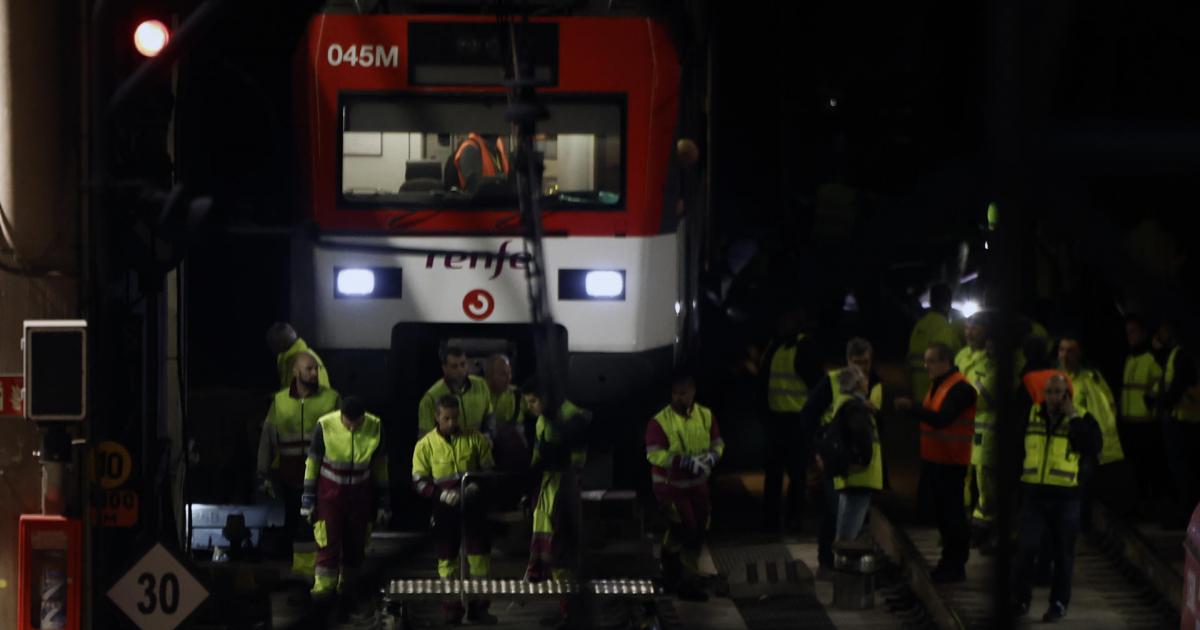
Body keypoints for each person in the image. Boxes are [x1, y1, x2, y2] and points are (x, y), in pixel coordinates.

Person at [1012, 375, 1101, 623]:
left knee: (1063, 554)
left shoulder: (1082, 418)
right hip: (1033, 496)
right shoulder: (1030, 415)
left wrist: (1073, 417)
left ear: (1068, 395)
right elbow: (1015, 449)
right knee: (1026, 549)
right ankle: (1020, 600)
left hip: (1066, 498)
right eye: (1049, 391)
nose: (1052, 397)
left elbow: (1092, 447)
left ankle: (1058, 603)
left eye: (1058, 392)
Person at [798, 337, 883, 575]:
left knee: (851, 515)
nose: (860, 368)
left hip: (860, 463)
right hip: (834, 456)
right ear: (847, 360)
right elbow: (808, 415)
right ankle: (830, 562)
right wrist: (817, 451)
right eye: (856, 362)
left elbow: (879, 425)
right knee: (835, 511)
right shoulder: (833, 381)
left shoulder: (875, 383)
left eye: (865, 363)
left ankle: (843, 563)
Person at [412, 395, 498, 625]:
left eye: (454, 418)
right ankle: (452, 608)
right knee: (447, 558)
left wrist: (474, 488)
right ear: (437, 417)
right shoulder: (425, 445)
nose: (451, 423)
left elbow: (489, 471)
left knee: (479, 557)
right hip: (444, 509)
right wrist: (440, 494)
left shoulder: (475, 439)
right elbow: (419, 481)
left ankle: (479, 608)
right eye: (446, 418)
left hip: (473, 506)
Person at [896, 342, 976, 583]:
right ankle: (948, 562)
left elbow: (942, 419)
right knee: (942, 515)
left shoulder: (960, 389)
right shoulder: (939, 384)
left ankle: (954, 564)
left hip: (951, 462)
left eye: (931, 361)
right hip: (936, 459)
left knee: (952, 516)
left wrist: (912, 409)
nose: (925, 365)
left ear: (945, 362)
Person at [257, 352, 341, 579]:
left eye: (316, 369)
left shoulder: (331, 398)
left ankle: (317, 572)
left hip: (323, 474)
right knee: (294, 524)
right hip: (290, 474)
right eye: (309, 369)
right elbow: (268, 437)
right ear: (295, 372)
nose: (314, 373)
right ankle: (299, 574)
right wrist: (262, 472)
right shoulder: (280, 400)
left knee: (319, 523)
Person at [301, 396, 390, 601]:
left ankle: (349, 592)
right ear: (341, 415)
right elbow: (312, 463)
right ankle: (323, 593)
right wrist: (307, 498)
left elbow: (381, 466)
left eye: (357, 423)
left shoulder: (375, 426)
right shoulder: (325, 426)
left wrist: (384, 501)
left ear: (363, 418)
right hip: (329, 497)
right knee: (327, 545)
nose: (352, 427)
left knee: (356, 546)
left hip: (360, 496)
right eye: (348, 422)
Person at [645, 372, 724, 601]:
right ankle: (680, 577)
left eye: (684, 393)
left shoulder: (706, 415)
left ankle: (677, 572)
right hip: (671, 487)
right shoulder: (660, 421)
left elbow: (717, 443)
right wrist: (682, 461)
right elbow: (654, 454)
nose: (679, 398)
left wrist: (711, 458)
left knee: (697, 530)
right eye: (675, 393)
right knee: (686, 530)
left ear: (693, 392)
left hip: (697, 486)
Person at [760, 305, 823, 532]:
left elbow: (817, 387)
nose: (780, 325)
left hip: (796, 422)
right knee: (775, 473)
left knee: (796, 474)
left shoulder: (803, 348)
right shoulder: (777, 346)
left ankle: (793, 520)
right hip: (778, 421)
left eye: (785, 321)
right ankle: (772, 520)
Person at [1057, 334, 1124, 527]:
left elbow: (1103, 413)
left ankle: (1082, 526)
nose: (1065, 355)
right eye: (1062, 350)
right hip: (1057, 445)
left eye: (1070, 351)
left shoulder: (1089, 379)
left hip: (1081, 445)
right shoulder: (1052, 377)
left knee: (1083, 487)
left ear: (1079, 354)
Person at [1152, 323, 1200, 529]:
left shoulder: (1181, 355)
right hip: (1182, 420)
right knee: (1183, 472)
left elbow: (1177, 387)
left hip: (1183, 422)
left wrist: (1161, 403)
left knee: (1184, 472)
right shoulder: (1177, 354)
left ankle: (1186, 516)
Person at [828, 366, 883, 543]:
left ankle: (838, 564)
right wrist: (863, 460)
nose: (868, 382)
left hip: (850, 476)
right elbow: (861, 436)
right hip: (860, 476)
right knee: (847, 536)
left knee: (845, 528)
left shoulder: (843, 402)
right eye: (865, 379)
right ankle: (839, 568)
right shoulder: (856, 407)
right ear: (858, 384)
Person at [959, 315, 999, 548]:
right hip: (963, 427)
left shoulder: (993, 361)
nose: (969, 332)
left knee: (985, 478)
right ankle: (965, 523)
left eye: (974, 327)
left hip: (985, 429)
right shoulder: (962, 356)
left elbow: (986, 398)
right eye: (966, 327)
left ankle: (984, 527)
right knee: (963, 477)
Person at [1118, 315, 1163, 515]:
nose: (1130, 337)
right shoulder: (1130, 358)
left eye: (1133, 332)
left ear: (1143, 333)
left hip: (1146, 423)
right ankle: (1139, 507)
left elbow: (1160, 385)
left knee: (1148, 469)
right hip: (1130, 422)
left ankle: (1151, 507)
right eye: (1128, 333)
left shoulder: (1151, 359)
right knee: (1135, 470)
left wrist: (1151, 402)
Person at [418, 346, 493, 437]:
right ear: (444, 368)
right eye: (454, 366)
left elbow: (489, 417)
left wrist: (488, 435)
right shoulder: (431, 398)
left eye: (463, 364)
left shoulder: (481, 385)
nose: (460, 370)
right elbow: (426, 437)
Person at [907, 284, 964, 404]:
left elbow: (910, 362)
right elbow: (943, 364)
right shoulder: (942, 326)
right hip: (936, 396)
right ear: (948, 303)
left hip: (918, 394)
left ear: (931, 302)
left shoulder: (919, 325)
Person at [484, 354, 530, 471]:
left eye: (509, 373)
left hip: (515, 461)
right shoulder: (480, 396)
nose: (509, 378)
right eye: (503, 374)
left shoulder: (517, 395)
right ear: (489, 376)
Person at [267, 322, 330, 389]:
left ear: (281, 344)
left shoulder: (305, 361)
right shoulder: (284, 358)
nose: (270, 347)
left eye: (272, 343)